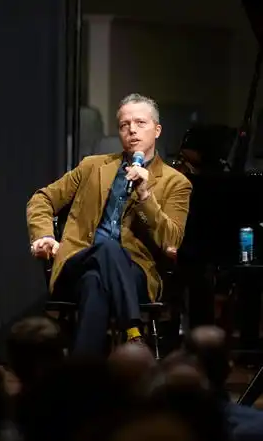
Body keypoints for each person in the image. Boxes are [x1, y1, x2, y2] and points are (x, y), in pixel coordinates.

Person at [26, 93, 192, 355]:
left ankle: (83, 375)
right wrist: (43, 235)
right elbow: (42, 198)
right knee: (105, 250)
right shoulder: (92, 167)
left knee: (96, 282)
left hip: (134, 272)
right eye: (125, 125)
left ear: (157, 130)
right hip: (78, 261)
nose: (132, 130)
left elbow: (171, 239)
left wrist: (145, 195)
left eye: (140, 123)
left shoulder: (176, 182)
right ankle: (133, 330)